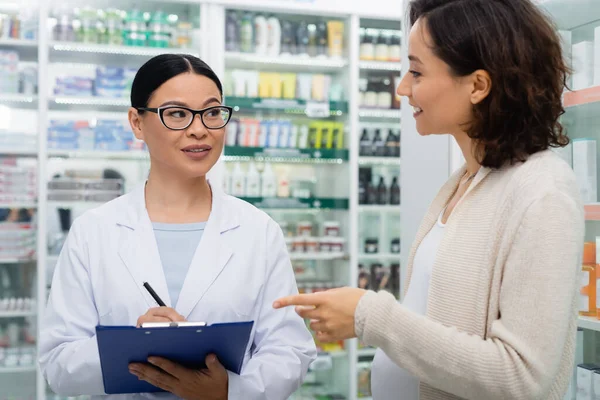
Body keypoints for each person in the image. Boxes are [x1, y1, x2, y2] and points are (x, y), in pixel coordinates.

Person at [274, 0, 584, 399]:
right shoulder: (463, 182)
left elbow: (520, 376)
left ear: (477, 85)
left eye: (416, 71)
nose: (402, 88)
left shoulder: (543, 191)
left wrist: (369, 316)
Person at [39, 54, 317, 400]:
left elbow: (290, 350)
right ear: (137, 123)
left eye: (212, 112)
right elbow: (58, 364)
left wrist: (228, 390)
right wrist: (133, 343)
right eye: (176, 113)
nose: (199, 128)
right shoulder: (94, 232)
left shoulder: (257, 231)